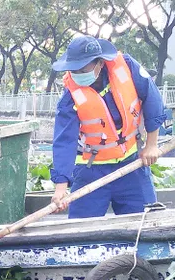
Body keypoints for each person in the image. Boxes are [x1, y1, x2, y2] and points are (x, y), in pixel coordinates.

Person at [49, 36, 167, 218]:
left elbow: (153, 101)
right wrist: (61, 187)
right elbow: (64, 141)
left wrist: (151, 145)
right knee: (81, 229)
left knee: (144, 221)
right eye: (74, 70)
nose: (78, 74)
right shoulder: (70, 97)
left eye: (83, 68)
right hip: (91, 170)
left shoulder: (127, 68)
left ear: (100, 63)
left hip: (131, 165)